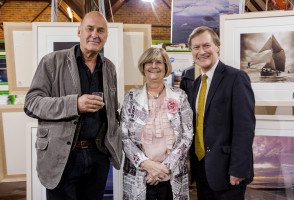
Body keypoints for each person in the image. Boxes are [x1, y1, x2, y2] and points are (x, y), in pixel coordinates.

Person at [24, 11, 122, 200]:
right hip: (63, 156)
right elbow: (32, 103)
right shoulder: (52, 61)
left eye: (101, 30)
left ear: (106, 36)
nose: (95, 34)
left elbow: (112, 109)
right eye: (90, 29)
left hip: (97, 154)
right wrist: (74, 104)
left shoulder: (108, 67)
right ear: (79, 32)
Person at [188, 26, 255, 200]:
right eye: (196, 47)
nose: (201, 51)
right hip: (202, 169)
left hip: (229, 172)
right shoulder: (196, 84)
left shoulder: (236, 78)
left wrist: (238, 169)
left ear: (217, 46)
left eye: (206, 45)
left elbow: (245, 128)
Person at [121, 47, 194, 199]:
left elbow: (187, 135)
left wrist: (164, 168)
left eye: (159, 62)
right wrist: (146, 164)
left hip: (171, 174)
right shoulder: (131, 97)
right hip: (139, 174)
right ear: (143, 66)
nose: (153, 66)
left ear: (166, 67)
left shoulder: (180, 96)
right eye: (149, 62)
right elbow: (124, 137)